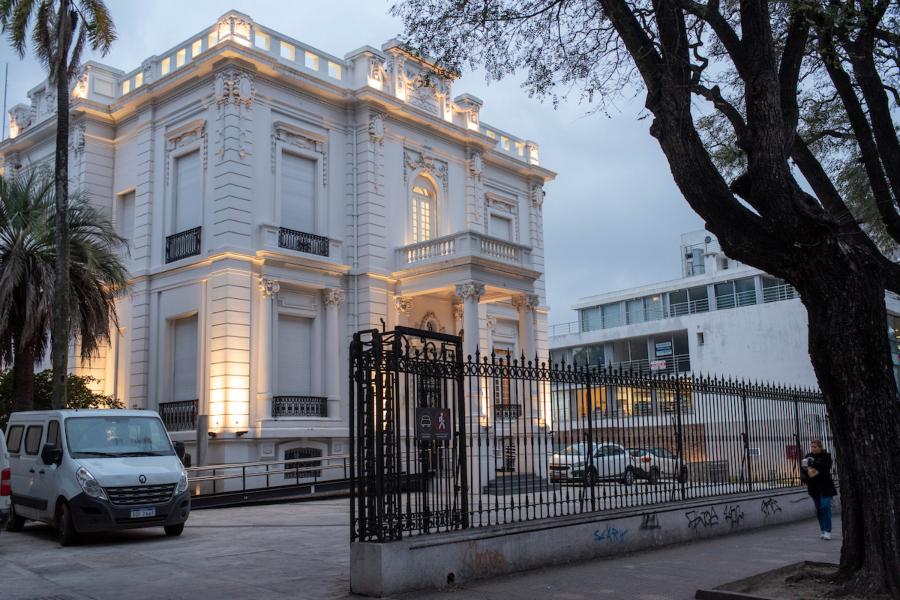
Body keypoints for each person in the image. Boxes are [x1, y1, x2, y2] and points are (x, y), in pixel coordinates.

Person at [801, 439, 837, 540]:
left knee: (825, 507)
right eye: (812, 447)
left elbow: (826, 467)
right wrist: (805, 469)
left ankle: (827, 531)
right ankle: (822, 530)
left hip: (825, 487)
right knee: (819, 509)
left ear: (820, 447)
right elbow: (804, 470)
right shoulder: (807, 456)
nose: (813, 449)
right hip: (813, 487)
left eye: (815, 447)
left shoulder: (826, 456)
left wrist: (814, 463)